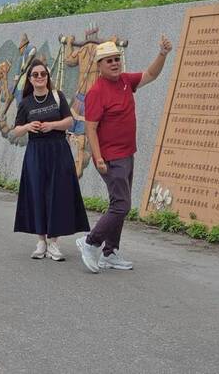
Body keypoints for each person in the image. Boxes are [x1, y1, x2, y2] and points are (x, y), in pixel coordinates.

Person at [76, 36, 173, 273]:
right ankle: (90, 242)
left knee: (118, 204)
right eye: (108, 60)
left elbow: (151, 74)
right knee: (121, 205)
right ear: (99, 65)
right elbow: (90, 128)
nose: (114, 63)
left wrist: (162, 54)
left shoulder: (126, 81)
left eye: (116, 59)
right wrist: (98, 157)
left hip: (127, 153)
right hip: (110, 157)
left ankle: (109, 253)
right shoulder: (96, 92)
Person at [13, 58, 90, 261]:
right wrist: (28, 127)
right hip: (36, 152)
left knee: (57, 194)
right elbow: (17, 130)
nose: (40, 77)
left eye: (43, 74)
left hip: (58, 150)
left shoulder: (57, 96)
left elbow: (69, 121)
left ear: (48, 77)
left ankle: (54, 243)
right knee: (37, 193)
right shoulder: (25, 103)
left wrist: (52, 126)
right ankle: (41, 241)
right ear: (30, 79)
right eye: (35, 75)